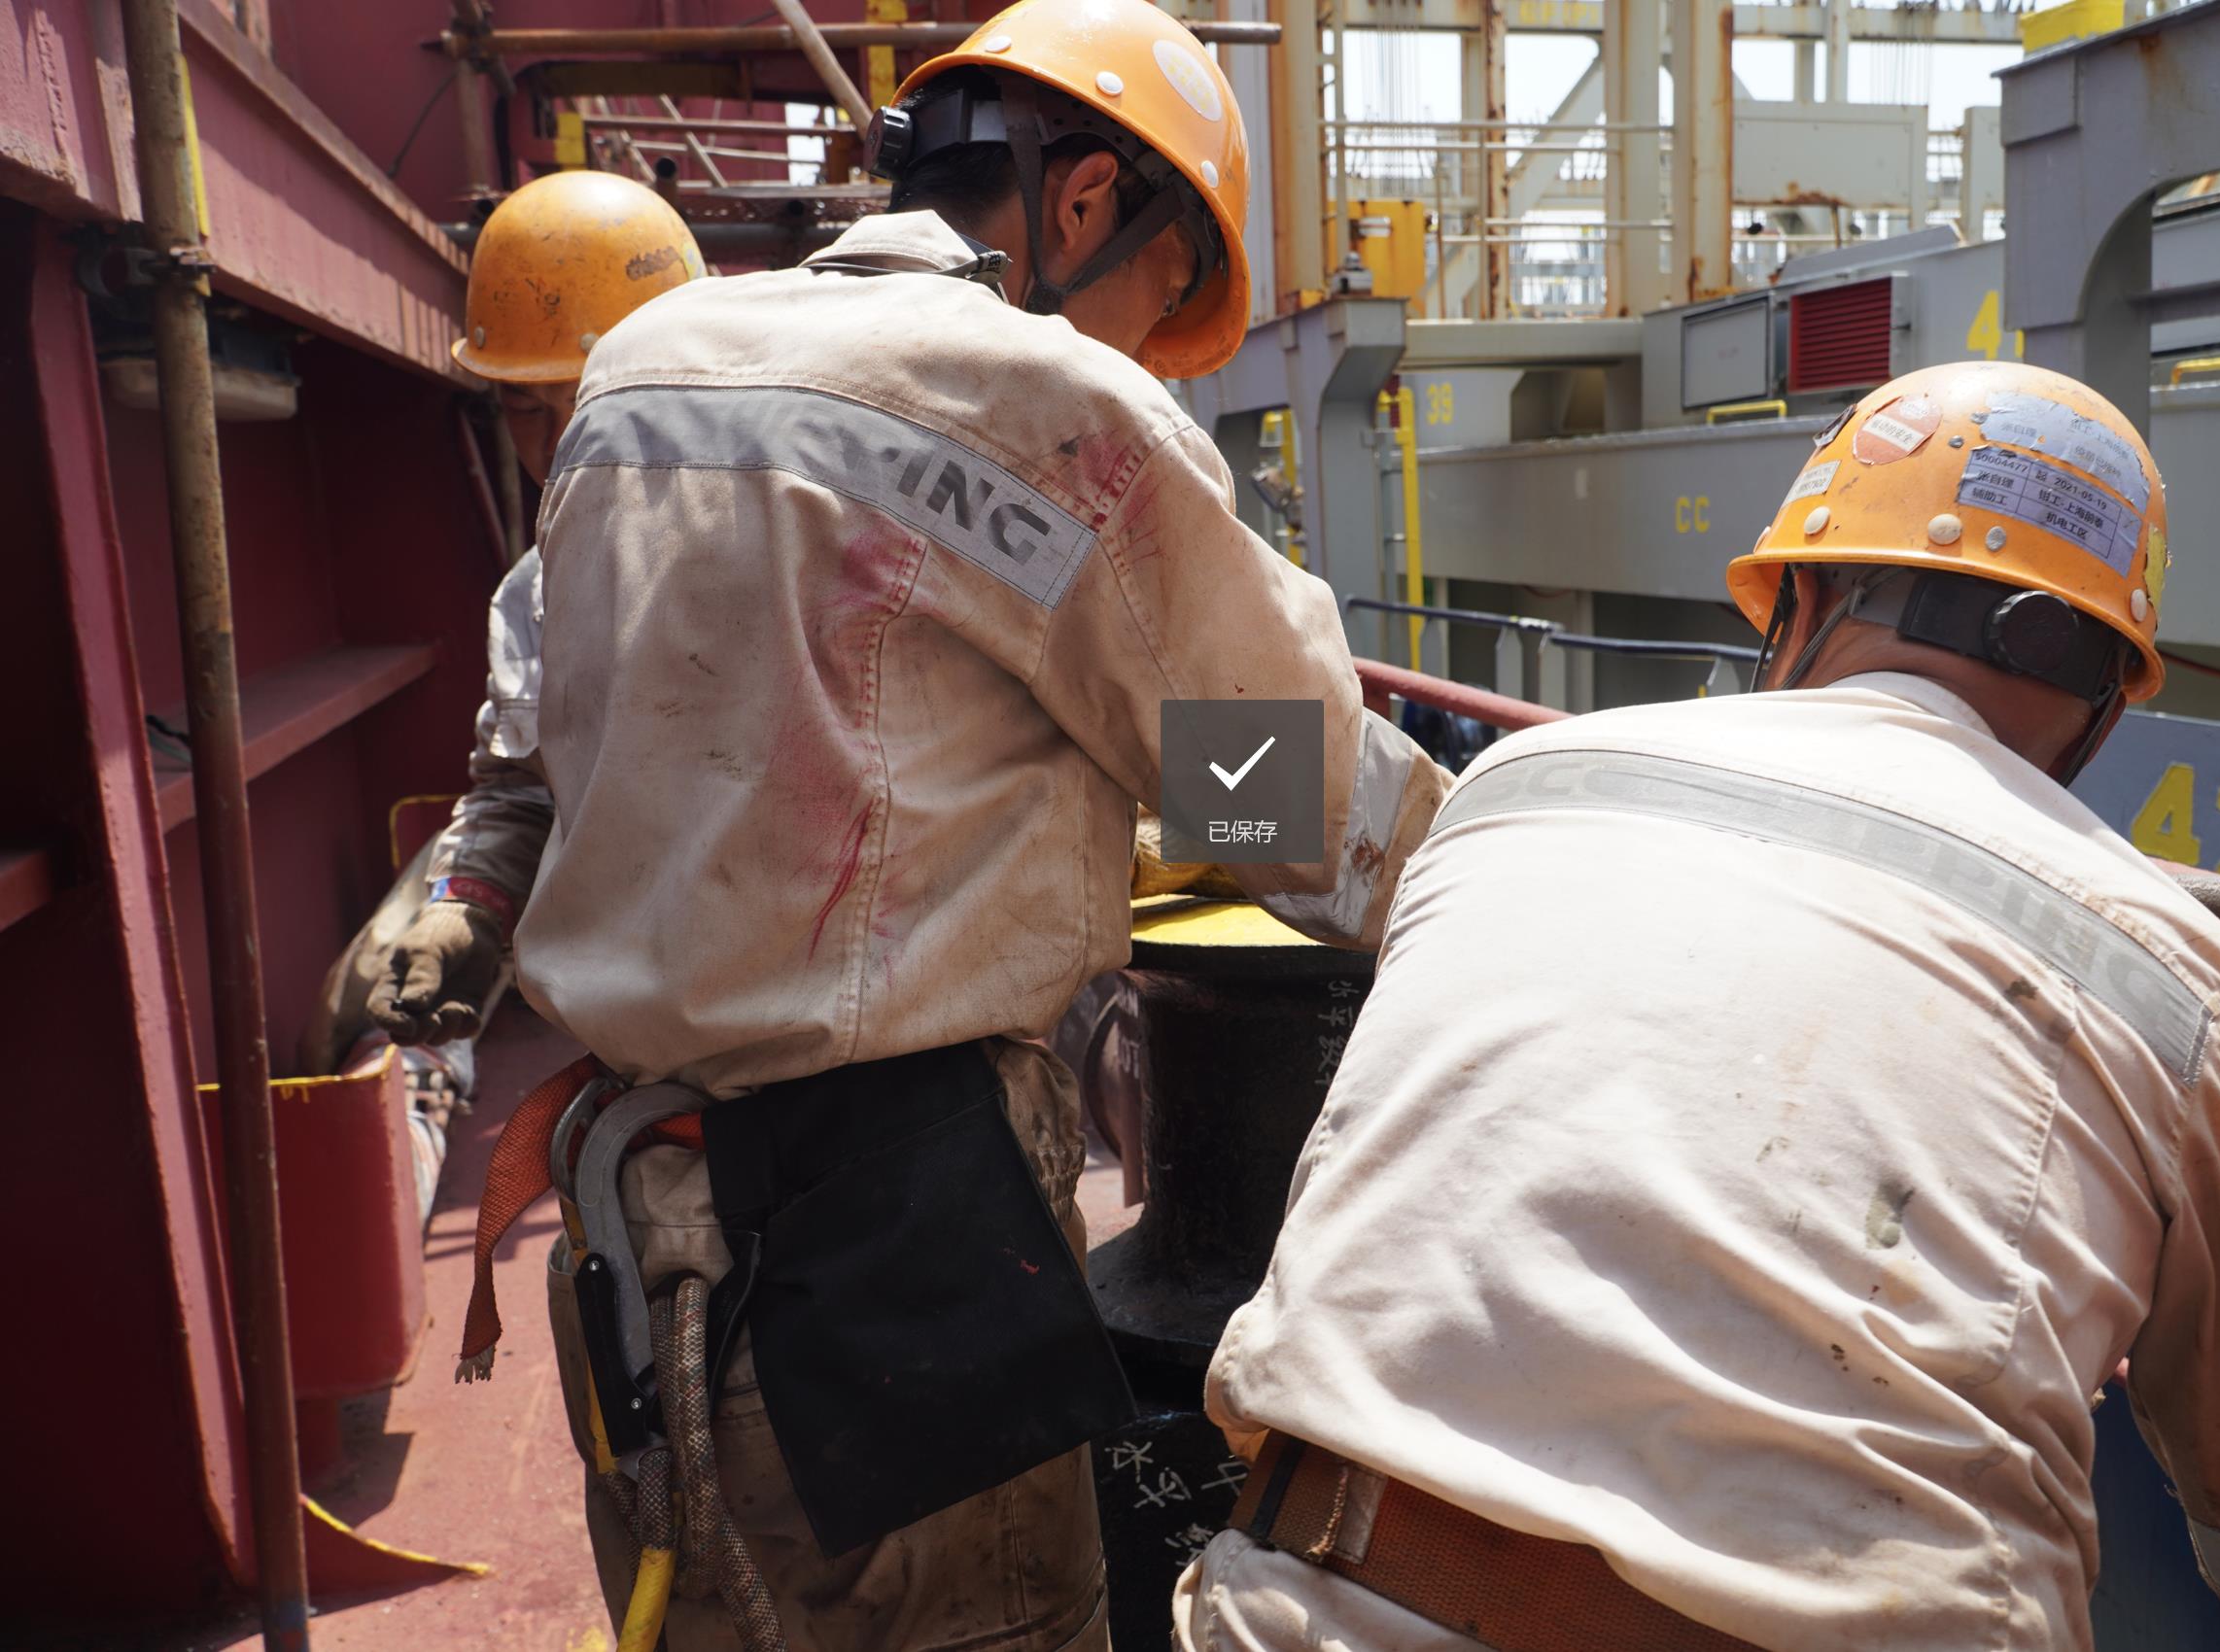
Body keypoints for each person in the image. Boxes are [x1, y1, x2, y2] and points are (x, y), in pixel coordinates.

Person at [1177, 361, 2220, 1652]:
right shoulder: (2194, 991)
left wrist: (1185, 812)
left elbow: (1272, 803)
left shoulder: (1512, 784)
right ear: (2099, 706)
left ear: (1793, 599)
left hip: (1299, 1602)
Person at [505, 0, 1452, 1645]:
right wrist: (1487, 879)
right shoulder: (1037, 398)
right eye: (1165, 290)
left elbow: (557, 716)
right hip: (895, 1251)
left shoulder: (641, 368)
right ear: (1084, 199)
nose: (1148, 351)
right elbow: (1274, 788)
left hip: (636, 1236)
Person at [296, 169, 704, 1211]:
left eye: (591, 405)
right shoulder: (537, 596)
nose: (559, 447)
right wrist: (468, 911)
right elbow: (521, 790)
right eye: (525, 408)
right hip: (670, 1045)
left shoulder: (808, 540)